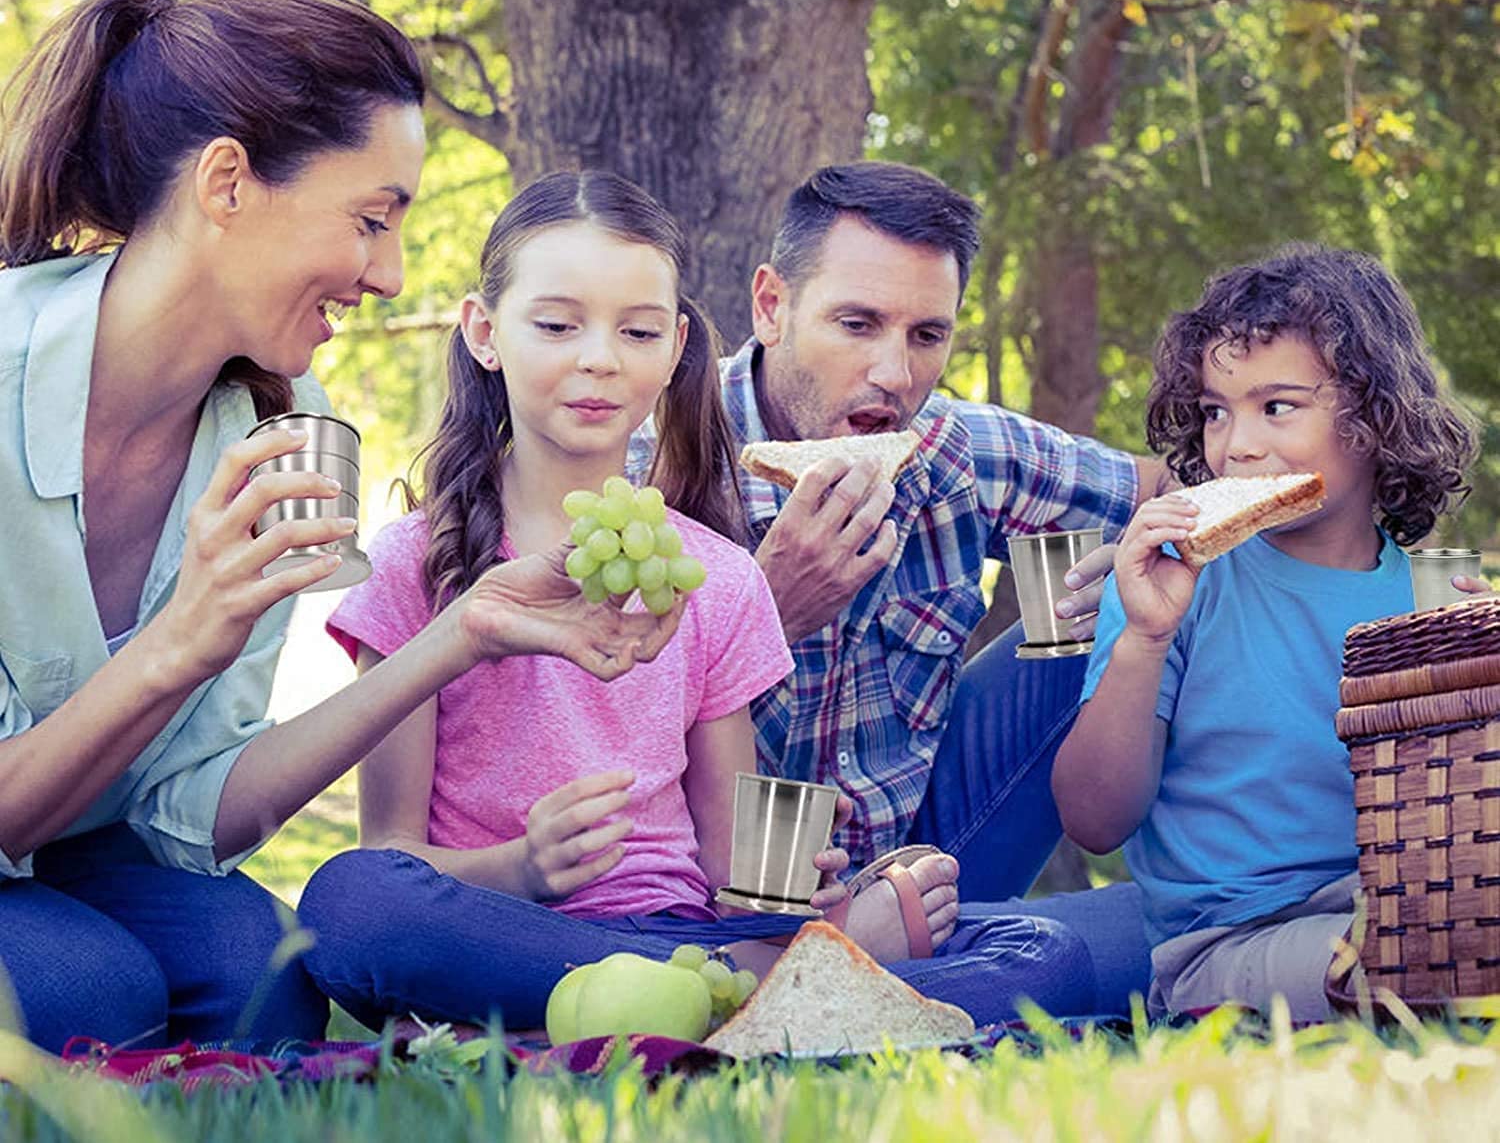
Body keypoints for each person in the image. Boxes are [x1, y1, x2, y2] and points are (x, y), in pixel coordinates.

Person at [0, 0, 679, 1054]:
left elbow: (194, 812)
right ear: (227, 183)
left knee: (261, 978)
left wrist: (460, 634)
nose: (388, 273)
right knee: (94, 992)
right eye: (371, 221)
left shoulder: (282, 428)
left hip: (84, 862)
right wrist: (181, 639)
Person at [298, 171, 1097, 1033]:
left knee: (1048, 957)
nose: (599, 358)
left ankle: (704, 1000)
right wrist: (520, 866)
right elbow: (392, 854)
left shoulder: (719, 575)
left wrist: (816, 886)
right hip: (512, 929)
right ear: (486, 334)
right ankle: (759, 1004)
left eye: (637, 331)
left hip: (686, 929)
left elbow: (732, 862)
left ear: (676, 347)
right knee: (351, 901)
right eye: (558, 325)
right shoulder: (416, 562)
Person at [628, 161, 1165, 1009]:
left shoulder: (956, 450)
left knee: (1109, 623)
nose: (894, 374)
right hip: (712, 906)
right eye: (857, 323)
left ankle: (911, 964)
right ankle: (855, 978)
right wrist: (761, 612)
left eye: (926, 335)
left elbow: (1178, 490)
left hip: (930, 868)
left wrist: (1159, 558)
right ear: (771, 306)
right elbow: (590, 754)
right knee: (1083, 962)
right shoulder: (648, 473)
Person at [1051, 245, 1483, 1021]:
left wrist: (1479, 679)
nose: (1236, 446)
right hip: (1225, 943)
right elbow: (1093, 820)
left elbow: (1461, 825)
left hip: (1398, 899)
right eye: (1217, 410)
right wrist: (1144, 640)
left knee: (1444, 932)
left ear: (1376, 418)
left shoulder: (1423, 597)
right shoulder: (1172, 582)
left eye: (1275, 407)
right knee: (1416, 955)